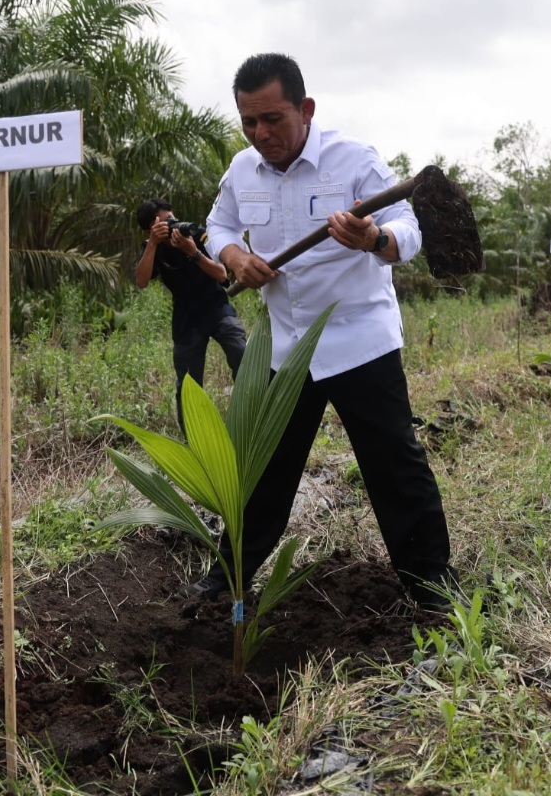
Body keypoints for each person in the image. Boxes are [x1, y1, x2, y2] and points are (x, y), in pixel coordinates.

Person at [185, 52, 457, 611]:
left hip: (360, 341)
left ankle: (432, 588)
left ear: (305, 109)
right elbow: (219, 224)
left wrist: (373, 238)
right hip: (287, 346)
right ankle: (227, 580)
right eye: (249, 123)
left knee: (393, 467)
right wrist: (235, 255)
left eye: (273, 119)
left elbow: (409, 228)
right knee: (262, 468)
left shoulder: (353, 159)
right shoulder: (241, 171)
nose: (261, 134)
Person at [135, 198, 247, 434]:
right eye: (165, 224)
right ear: (149, 229)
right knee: (187, 384)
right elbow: (141, 281)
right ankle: (193, 440)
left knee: (241, 351)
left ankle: (251, 415)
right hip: (186, 318)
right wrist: (153, 243)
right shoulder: (152, 248)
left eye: (172, 218)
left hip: (216, 307)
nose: (173, 225)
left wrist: (193, 251)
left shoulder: (196, 236)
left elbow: (221, 274)